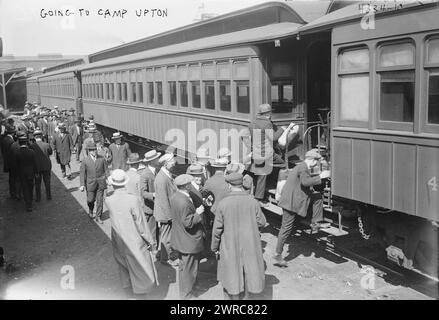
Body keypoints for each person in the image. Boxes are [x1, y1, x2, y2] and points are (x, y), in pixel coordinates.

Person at [211, 172, 267, 300]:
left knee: (232, 272)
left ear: (229, 186)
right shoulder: (252, 202)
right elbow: (262, 222)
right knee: (248, 272)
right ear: (242, 184)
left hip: (230, 244)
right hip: (249, 244)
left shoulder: (223, 204)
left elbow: (217, 230)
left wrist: (214, 247)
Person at [105, 169, 158, 298]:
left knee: (124, 267)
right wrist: (151, 242)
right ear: (125, 183)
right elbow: (141, 225)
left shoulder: (109, 200)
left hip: (118, 240)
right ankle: (140, 294)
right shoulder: (132, 200)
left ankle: (128, 292)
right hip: (134, 241)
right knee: (140, 270)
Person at [274, 149, 331, 267]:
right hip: (291, 202)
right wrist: (321, 176)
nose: (316, 164)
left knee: (317, 197)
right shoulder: (303, 168)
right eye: (316, 162)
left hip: (293, 198)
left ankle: (315, 222)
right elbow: (305, 182)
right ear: (311, 160)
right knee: (285, 229)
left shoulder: (302, 166)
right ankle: (277, 254)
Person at [245, 104, 287, 207]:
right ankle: (279, 190)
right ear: (268, 114)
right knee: (283, 165)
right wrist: (282, 129)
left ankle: (258, 198)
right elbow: (274, 138)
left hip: (257, 152)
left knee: (262, 175)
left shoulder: (252, 123)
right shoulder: (267, 123)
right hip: (266, 153)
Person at [170, 174, 205, 300]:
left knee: (186, 268)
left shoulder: (176, 196)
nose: (191, 184)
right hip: (189, 241)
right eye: (189, 183)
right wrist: (198, 213)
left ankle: (189, 290)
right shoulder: (184, 201)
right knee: (189, 270)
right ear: (185, 186)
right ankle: (186, 295)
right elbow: (188, 223)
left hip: (181, 239)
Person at [154, 153, 178, 265]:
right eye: (172, 162)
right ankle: (166, 258)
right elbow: (163, 200)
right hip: (165, 213)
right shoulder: (161, 179)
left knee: (165, 235)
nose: (174, 163)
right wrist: (170, 216)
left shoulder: (166, 174)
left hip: (166, 211)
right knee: (167, 236)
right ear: (165, 163)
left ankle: (161, 254)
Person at [79, 141, 109, 224]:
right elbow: (82, 174)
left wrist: (108, 178)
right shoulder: (85, 161)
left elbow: (106, 170)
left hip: (101, 183)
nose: (94, 151)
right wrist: (82, 185)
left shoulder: (102, 158)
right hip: (90, 184)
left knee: (100, 201)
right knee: (90, 200)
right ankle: (91, 210)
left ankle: (98, 216)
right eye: (92, 150)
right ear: (89, 151)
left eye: (95, 149)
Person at [139, 150, 161, 253]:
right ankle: (153, 249)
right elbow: (143, 193)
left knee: (157, 228)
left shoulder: (157, 170)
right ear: (151, 161)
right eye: (156, 158)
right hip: (150, 207)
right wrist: (153, 195)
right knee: (152, 229)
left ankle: (156, 246)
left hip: (157, 206)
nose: (158, 160)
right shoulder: (145, 174)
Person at [15, 133, 37, 212]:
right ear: (26, 142)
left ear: (19, 143)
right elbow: (35, 164)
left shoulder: (17, 153)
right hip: (30, 173)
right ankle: (30, 201)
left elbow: (16, 165)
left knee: (25, 188)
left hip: (22, 174)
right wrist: (36, 172)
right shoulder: (31, 152)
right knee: (30, 187)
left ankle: (28, 204)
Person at [30, 129, 52, 201]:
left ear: (34, 137)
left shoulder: (32, 146)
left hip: (37, 168)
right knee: (47, 182)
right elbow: (50, 152)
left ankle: (38, 198)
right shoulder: (46, 144)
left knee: (37, 183)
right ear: (41, 136)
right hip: (46, 166)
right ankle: (49, 196)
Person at [1, 125, 18, 199]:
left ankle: (12, 192)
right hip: (12, 162)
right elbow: (13, 153)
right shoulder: (11, 141)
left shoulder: (4, 139)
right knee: (14, 178)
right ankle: (14, 193)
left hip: (7, 161)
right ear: (13, 133)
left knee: (11, 178)